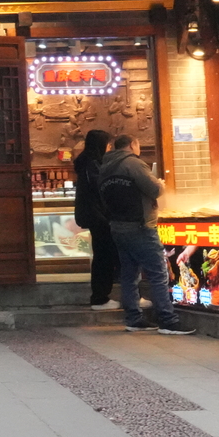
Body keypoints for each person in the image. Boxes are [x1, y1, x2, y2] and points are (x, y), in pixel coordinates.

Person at [99, 135, 195, 335]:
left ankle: (133, 319)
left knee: (129, 275)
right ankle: (168, 320)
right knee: (158, 274)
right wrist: (160, 183)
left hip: (117, 226)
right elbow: (155, 189)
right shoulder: (133, 164)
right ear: (133, 144)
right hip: (141, 226)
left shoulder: (105, 167)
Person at [74, 130, 120, 310]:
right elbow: (100, 187)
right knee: (104, 256)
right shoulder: (92, 164)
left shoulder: (87, 162)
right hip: (98, 216)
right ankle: (100, 298)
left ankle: (102, 296)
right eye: (108, 145)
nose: (109, 149)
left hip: (96, 216)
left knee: (103, 255)